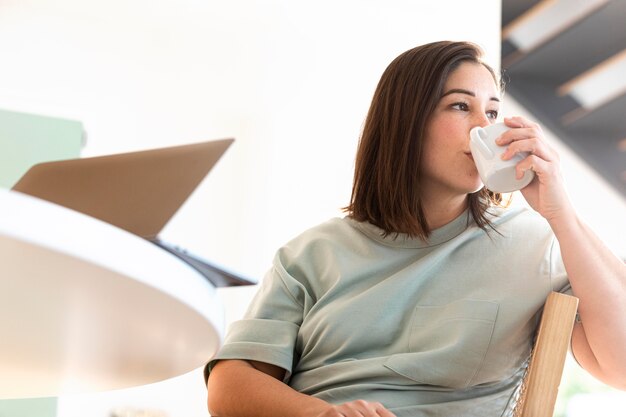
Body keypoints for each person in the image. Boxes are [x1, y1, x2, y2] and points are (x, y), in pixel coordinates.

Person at [205, 41, 626, 417]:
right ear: (406, 122)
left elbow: (620, 366)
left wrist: (561, 213)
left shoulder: (537, 245)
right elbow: (229, 385)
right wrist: (318, 414)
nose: (486, 126)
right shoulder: (311, 253)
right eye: (461, 106)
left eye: (493, 111)